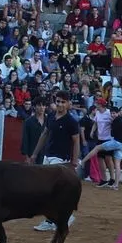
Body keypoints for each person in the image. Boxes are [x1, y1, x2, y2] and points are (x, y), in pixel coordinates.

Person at [31, 91, 81, 231]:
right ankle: (62, 217)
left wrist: (74, 161)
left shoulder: (71, 121)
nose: (60, 104)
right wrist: (35, 153)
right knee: (46, 189)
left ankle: (53, 219)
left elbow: (76, 141)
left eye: (63, 102)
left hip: (61, 158)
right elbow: (44, 134)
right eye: (58, 101)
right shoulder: (51, 117)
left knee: (50, 190)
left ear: (68, 104)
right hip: (48, 156)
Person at [79, 105, 122, 189]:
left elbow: (112, 134)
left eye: (114, 113)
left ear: (118, 113)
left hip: (116, 142)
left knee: (97, 148)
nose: (112, 115)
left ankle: (83, 161)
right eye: (112, 113)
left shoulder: (116, 121)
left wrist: (112, 123)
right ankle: (116, 185)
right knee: (117, 164)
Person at [21, 97, 48, 165]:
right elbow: (25, 139)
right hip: (32, 154)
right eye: (39, 105)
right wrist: (27, 157)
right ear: (34, 107)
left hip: (46, 155)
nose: (42, 107)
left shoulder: (49, 121)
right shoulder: (28, 122)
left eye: (43, 105)